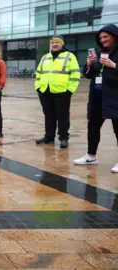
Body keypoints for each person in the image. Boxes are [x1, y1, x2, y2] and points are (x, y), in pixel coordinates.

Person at [74, 24, 118, 173]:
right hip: (97, 97)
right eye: (100, 38)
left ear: (114, 36)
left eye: (106, 36)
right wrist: (88, 65)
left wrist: (114, 65)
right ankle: (91, 156)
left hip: (115, 97)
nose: (103, 40)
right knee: (93, 127)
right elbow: (88, 74)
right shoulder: (100, 53)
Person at [35, 34, 81, 148]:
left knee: (62, 116)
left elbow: (75, 74)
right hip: (45, 91)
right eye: (53, 42)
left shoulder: (70, 56)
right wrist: (38, 88)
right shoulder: (45, 57)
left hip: (62, 92)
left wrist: (70, 90)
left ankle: (63, 138)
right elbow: (38, 73)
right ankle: (49, 137)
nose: (54, 44)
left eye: (57, 42)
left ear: (62, 44)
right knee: (48, 115)